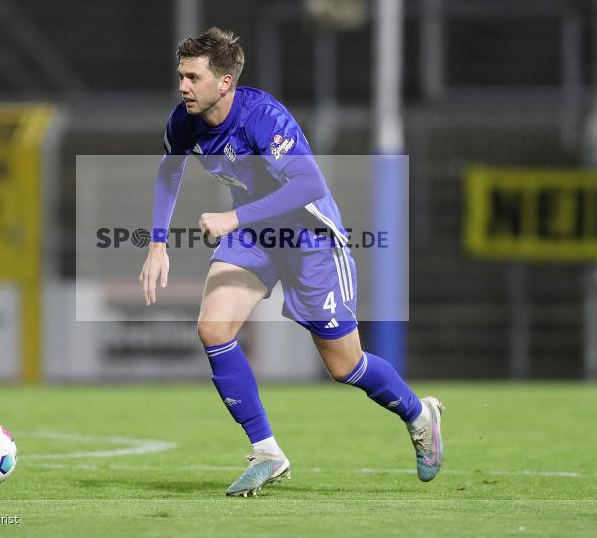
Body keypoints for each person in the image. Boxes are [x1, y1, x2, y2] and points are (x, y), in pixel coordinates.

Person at [139, 27, 443, 497]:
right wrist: (158, 243)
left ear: (224, 83)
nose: (183, 86)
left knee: (344, 366)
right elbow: (168, 170)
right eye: (181, 75)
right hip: (255, 236)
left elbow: (308, 186)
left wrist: (233, 216)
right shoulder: (184, 120)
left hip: (310, 238)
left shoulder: (263, 117)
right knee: (213, 328)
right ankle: (267, 452)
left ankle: (419, 415)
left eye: (193, 77)